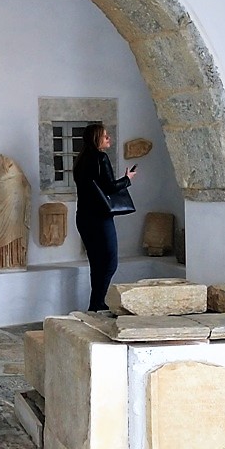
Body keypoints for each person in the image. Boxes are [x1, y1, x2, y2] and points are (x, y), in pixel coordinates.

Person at [73, 123, 136, 311]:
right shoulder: (100, 157)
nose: (108, 138)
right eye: (105, 135)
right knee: (110, 261)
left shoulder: (81, 159)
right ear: (96, 138)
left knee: (96, 262)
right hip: (99, 218)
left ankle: (96, 303)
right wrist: (127, 179)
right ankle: (97, 302)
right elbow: (108, 187)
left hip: (83, 217)